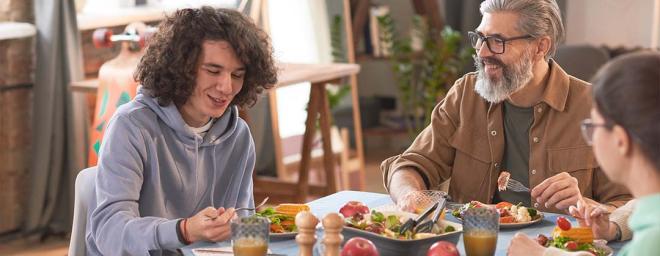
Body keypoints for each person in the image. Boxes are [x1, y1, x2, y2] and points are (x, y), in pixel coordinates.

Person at [381, 0, 631, 214]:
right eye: (480, 38)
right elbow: (410, 166)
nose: (482, 51)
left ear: (540, 47)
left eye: (497, 41)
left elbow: (633, 205)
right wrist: (409, 196)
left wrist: (585, 205)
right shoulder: (465, 94)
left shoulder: (594, 107)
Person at [86, 7, 278, 255]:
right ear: (181, 67)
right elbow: (109, 232)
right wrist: (184, 230)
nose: (226, 86)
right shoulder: (131, 127)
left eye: (237, 75)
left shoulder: (238, 136)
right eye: (213, 70)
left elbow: (238, 229)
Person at [508, 52, 660, 255]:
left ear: (620, 140)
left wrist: (542, 254)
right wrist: (613, 227)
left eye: (593, 126)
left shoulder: (651, 241)